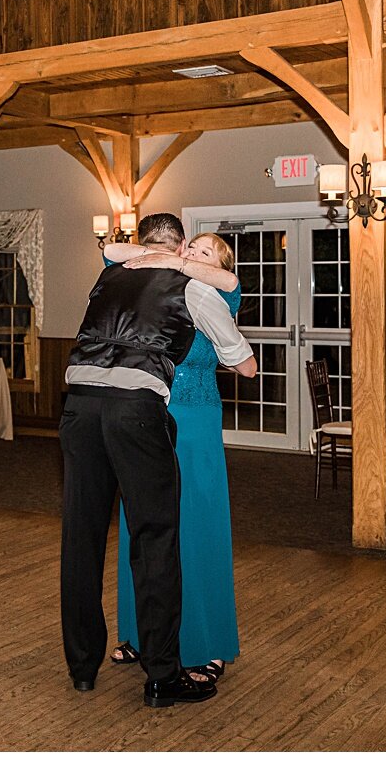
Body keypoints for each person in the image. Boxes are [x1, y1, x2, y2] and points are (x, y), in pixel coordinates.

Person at [59, 212, 255, 708]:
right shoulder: (191, 289)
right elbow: (240, 358)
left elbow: (112, 254)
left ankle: (83, 666)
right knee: (156, 537)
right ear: (179, 246)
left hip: (79, 405)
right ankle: (163, 675)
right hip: (136, 412)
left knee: (81, 537)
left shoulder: (107, 279)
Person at [103, 232, 245, 687]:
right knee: (140, 524)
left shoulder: (220, 291)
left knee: (195, 524)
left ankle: (206, 643)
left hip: (196, 422)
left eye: (206, 250)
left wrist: (186, 265)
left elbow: (227, 278)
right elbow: (112, 253)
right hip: (148, 416)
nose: (192, 255)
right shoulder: (159, 284)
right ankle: (140, 632)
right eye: (190, 246)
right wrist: (167, 257)